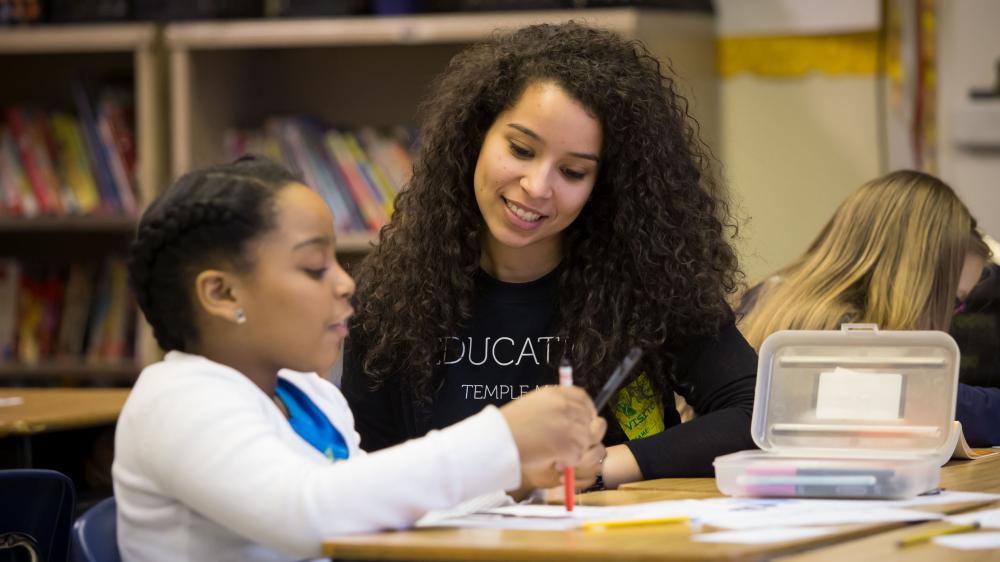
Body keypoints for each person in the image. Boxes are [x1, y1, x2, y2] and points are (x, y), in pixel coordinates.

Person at [114, 156, 605, 562]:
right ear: (221, 292)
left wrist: (515, 477)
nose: (346, 282)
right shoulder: (176, 400)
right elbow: (308, 514)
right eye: (313, 267)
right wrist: (503, 435)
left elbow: (372, 513)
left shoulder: (312, 395)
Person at [341, 22, 758, 489]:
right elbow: (366, 470)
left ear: (603, 185)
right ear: (475, 136)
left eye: (573, 171)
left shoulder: (649, 282)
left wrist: (602, 467)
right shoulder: (390, 297)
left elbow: (755, 414)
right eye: (520, 149)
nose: (537, 187)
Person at [737, 169, 999, 446]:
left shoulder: (771, 298)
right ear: (915, 281)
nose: (951, 315)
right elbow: (939, 402)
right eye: (952, 300)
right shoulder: (841, 330)